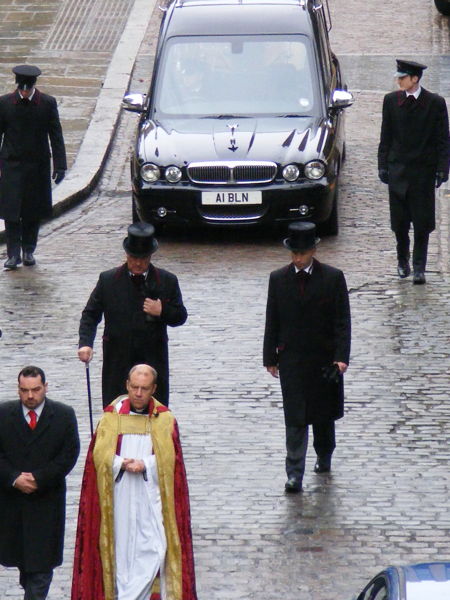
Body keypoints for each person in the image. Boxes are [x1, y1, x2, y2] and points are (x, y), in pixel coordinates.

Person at [71, 363, 197, 600]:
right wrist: (119, 463)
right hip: (119, 498)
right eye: (135, 387)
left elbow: (173, 463)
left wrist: (147, 465)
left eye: (145, 388)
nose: (139, 394)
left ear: (154, 389)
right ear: (127, 385)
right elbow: (98, 457)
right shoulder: (111, 417)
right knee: (120, 555)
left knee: (154, 551)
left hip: (151, 498)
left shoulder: (165, 420)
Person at [263, 222, 351, 493]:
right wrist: (270, 356)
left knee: (323, 415)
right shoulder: (278, 279)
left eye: (302, 253)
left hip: (323, 359)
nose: (298, 258)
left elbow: (342, 321)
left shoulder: (333, 278)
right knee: (296, 418)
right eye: (294, 253)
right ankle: (294, 472)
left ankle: (324, 455)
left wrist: (341, 356)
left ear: (313, 250)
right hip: (292, 360)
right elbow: (272, 319)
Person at [78, 222, 188, 407]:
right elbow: (90, 314)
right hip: (118, 361)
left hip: (153, 361)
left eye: (143, 258)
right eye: (133, 257)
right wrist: (85, 343)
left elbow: (180, 316)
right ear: (127, 255)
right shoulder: (108, 280)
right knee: (116, 414)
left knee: (154, 415)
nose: (138, 263)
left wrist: (162, 311)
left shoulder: (167, 281)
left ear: (150, 256)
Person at [0, 365, 79, 600]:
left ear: (45, 387)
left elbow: (69, 453)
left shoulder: (64, 415)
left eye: (35, 390)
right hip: (12, 503)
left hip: (47, 501)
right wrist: (13, 478)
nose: (30, 396)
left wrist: (40, 478)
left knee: (41, 568)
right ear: (18, 389)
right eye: (25, 391)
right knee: (25, 564)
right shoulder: (3, 414)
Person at [378, 59, 449, 285]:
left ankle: (420, 266)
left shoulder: (435, 103)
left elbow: (443, 139)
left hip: (422, 173)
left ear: (415, 79)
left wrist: (442, 169)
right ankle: (402, 261)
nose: (398, 80)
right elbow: (385, 136)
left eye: (403, 77)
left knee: (422, 222)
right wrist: (382, 165)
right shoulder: (391, 101)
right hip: (398, 170)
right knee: (399, 223)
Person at [0, 65, 67, 270]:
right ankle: (13, 254)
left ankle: (28, 250)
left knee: (32, 211)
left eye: (27, 89)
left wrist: (60, 165)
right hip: (11, 165)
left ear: (33, 87)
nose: (25, 92)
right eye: (22, 89)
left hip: (37, 166)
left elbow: (56, 135)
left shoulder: (47, 103)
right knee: (11, 212)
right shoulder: (4, 103)